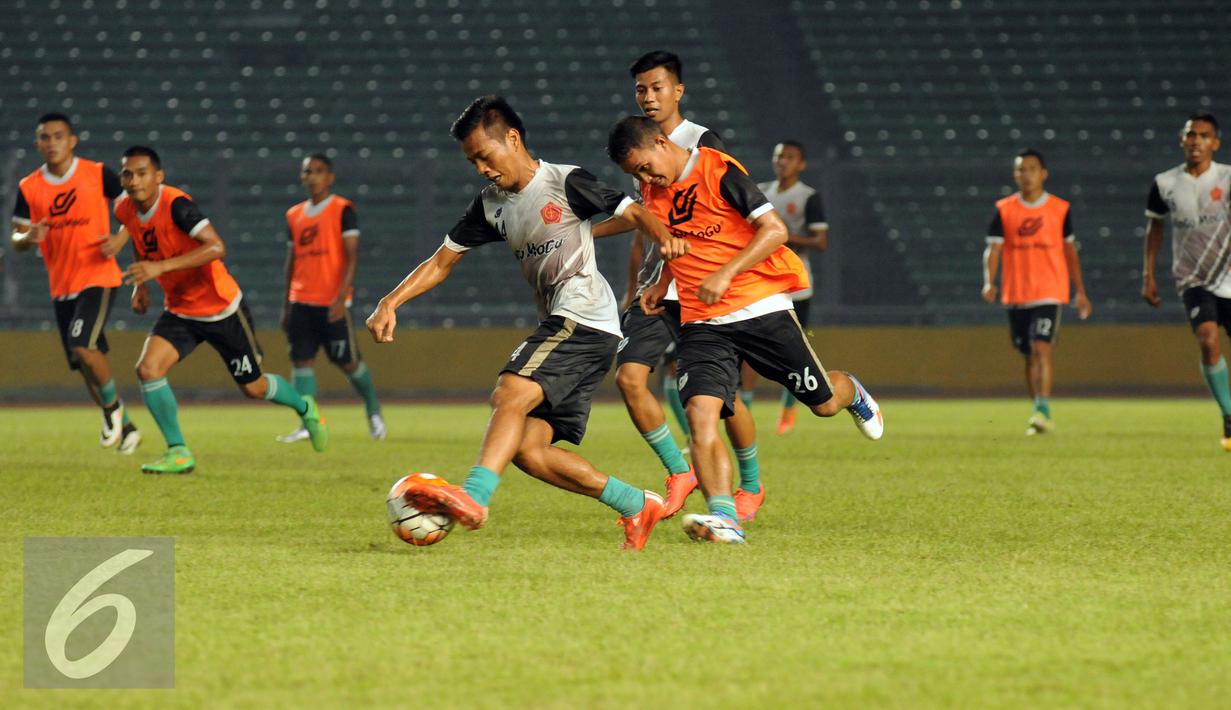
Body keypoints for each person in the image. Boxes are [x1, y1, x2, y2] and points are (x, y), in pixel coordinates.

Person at [367, 95, 686, 550]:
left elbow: (634, 212)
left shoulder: (564, 181)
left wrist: (665, 238)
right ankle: (637, 504)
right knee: (528, 451)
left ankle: (474, 497)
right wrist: (390, 301)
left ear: (512, 139)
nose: (481, 168)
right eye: (473, 161)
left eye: (485, 155)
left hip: (582, 317)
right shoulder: (490, 205)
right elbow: (441, 261)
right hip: (581, 329)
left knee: (509, 393)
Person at [607, 116, 883, 545]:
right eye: (636, 175)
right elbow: (679, 242)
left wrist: (725, 273)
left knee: (825, 404)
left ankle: (853, 392)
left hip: (760, 307)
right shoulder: (654, 192)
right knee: (701, 415)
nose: (645, 178)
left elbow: (775, 231)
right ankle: (725, 517)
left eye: (645, 167)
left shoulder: (718, 170)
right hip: (702, 320)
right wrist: (662, 283)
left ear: (661, 142)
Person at [593, 50, 766, 522]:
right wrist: (587, 235)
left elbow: (734, 214)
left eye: (657, 87)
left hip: (702, 288)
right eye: (641, 89)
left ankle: (751, 485)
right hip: (658, 289)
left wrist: (727, 274)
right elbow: (642, 218)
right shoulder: (638, 148)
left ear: (678, 91)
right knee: (629, 377)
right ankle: (680, 472)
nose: (648, 97)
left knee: (722, 400)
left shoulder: (703, 144)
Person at [113, 146, 327, 473]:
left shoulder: (177, 206)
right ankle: (178, 452)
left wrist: (161, 268)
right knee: (148, 369)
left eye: (142, 173)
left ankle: (305, 406)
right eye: (128, 174)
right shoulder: (125, 209)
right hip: (180, 310)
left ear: (159, 176)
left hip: (221, 309)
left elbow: (216, 246)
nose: (134, 181)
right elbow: (142, 241)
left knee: (253, 387)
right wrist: (141, 286)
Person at [10, 113, 141, 453]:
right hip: (61, 286)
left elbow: (134, 207)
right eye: (45, 137)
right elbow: (16, 236)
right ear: (38, 144)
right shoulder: (29, 186)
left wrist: (121, 238)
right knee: (85, 363)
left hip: (98, 276)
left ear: (72, 141)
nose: (51, 143)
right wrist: (27, 237)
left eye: (58, 136)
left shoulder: (97, 174)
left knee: (82, 344)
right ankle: (127, 427)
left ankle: (112, 410)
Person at [982, 149, 1092, 435]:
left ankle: (1042, 410)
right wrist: (989, 281)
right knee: (1029, 354)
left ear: (1043, 174)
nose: (1027, 174)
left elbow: (1070, 251)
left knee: (1042, 348)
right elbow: (993, 249)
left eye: (1032, 169)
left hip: (1049, 291)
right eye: (1022, 169)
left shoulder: (1059, 209)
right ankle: (1039, 410)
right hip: (1017, 293)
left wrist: (1080, 291)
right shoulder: (1005, 209)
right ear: (1015, 175)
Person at [277, 153, 385, 444]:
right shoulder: (293, 215)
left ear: (330, 177)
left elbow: (352, 257)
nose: (312, 176)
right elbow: (292, 261)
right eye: (307, 171)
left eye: (318, 171)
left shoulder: (342, 209)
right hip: (301, 301)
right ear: (302, 177)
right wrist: (286, 304)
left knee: (348, 363)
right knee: (301, 362)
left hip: (331, 302)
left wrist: (340, 298)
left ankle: (373, 410)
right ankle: (306, 423)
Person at [1142, 113, 1231, 449]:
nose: (1196, 141)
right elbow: (1155, 227)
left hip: (1229, 274)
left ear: (1215, 143)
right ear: (1182, 139)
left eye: (1204, 136)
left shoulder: (1227, 178)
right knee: (1207, 339)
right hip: (1193, 278)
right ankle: (1229, 414)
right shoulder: (1165, 183)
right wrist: (1148, 274)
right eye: (1191, 134)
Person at [757, 140, 829, 436]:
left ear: (801, 164)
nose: (783, 161)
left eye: (790, 157)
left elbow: (820, 241)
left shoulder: (808, 197)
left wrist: (781, 236)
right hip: (762, 282)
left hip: (796, 285)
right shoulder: (760, 191)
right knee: (750, 349)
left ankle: (788, 410)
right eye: (779, 156)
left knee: (795, 350)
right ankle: (743, 407)